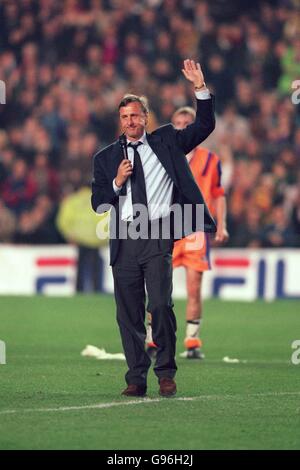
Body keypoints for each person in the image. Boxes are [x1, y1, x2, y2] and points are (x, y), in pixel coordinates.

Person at [91, 59, 216, 398]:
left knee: (160, 304)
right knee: (128, 313)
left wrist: (200, 88)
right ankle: (136, 378)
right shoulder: (104, 159)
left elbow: (204, 126)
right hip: (125, 237)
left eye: (135, 115)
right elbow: (99, 204)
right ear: (120, 121)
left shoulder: (167, 142)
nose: (130, 121)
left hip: (158, 232)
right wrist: (117, 182)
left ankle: (166, 372)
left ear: (146, 117)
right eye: (125, 117)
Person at [146, 106, 229, 360]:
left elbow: (218, 194)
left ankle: (192, 341)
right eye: (178, 122)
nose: (182, 125)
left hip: (194, 229)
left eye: (187, 122)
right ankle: (151, 339)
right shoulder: (161, 154)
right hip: (166, 225)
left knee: (194, 286)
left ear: (194, 126)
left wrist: (222, 224)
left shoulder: (211, 160)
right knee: (157, 285)